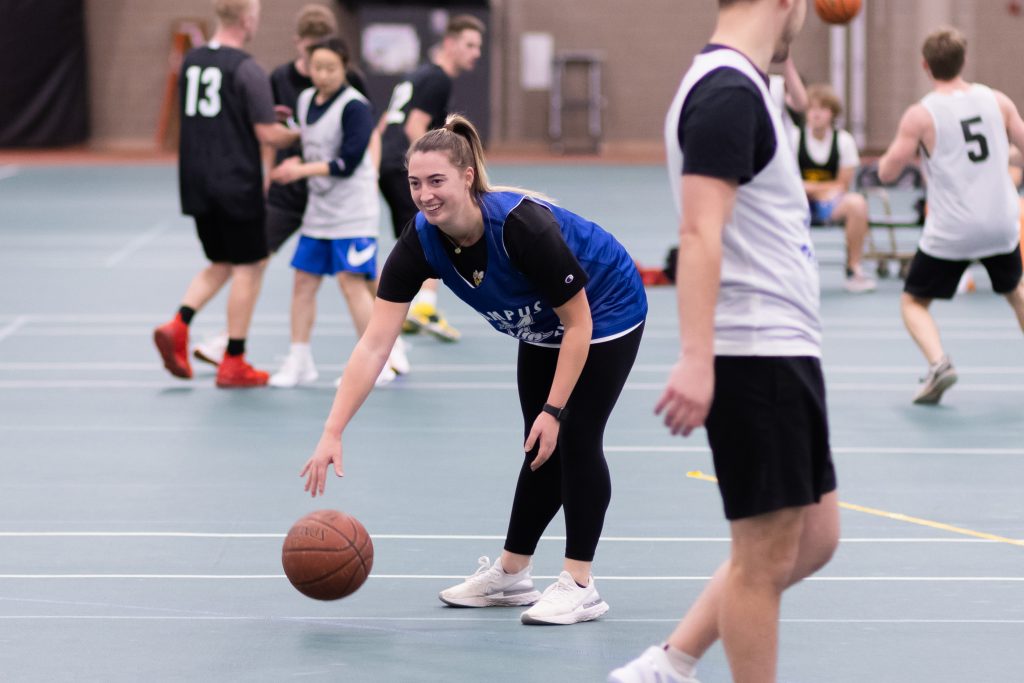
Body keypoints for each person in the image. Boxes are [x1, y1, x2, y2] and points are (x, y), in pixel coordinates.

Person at [300, 115, 648, 626]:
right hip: (540, 322)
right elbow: (375, 344)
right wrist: (332, 431)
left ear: (467, 177)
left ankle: (579, 583)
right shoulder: (421, 240)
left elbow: (579, 325)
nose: (424, 194)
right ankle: (512, 575)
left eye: (436, 180)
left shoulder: (522, 228)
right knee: (538, 446)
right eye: (415, 183)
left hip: (603, 309)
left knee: (573, 436)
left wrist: (554, 409)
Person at [611, 1, 839, 681]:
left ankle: (670, 661)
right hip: (754, 350)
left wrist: (779, 50)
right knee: (762, 561)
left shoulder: (745, 82)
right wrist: (696, 356)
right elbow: (699, 232)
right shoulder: (725, 94)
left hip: (784, 346)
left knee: (815, 537)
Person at [153, 0, 298, 388]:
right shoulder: (247, 68)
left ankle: (179, 322)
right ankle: (234, 360)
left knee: (221, 259)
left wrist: (262, 110)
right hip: (235, 182)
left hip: (196, 182)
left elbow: (218, 112)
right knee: (249, 268)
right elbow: (267, 134)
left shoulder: (192, 61)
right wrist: (301, 131)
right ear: (248, 20)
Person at [878, 27, 1024, 405]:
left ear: (925, 66)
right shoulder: (998, 101)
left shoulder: (921, 114)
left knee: (913, 301)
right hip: (1000, 221)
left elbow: (887, 173)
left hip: (953, 230)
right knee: (1016, 292)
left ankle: (939, 363)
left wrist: (893, 157)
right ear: (964, 61)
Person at [265, 38, 399, 388]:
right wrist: (295, 157)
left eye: (330, 68)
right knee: (302, 283)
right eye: (317, 67)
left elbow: (346, 163)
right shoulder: (306, 100)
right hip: (319, 212)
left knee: (351, 283)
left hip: (354, 212)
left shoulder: (355, 107)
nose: (322, 75)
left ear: (344, 69)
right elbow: (311, 144)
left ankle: (379, 362)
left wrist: (299, 171)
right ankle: (299, 360)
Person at [377, 14, 484, 343]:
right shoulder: (438, 79)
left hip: (388, 164)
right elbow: (414, 128)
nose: (476, 52)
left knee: (414, 236)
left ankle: (413, 306)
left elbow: (385, 122)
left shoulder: (417, 74)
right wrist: (430, 175)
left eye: (478, 46)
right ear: (449, 44)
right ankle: (422, 305)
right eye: (469, 44)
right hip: (403, 165)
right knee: (432, 232)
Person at [796, 83, 876, 292]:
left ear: (832, 113)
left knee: (857, 204)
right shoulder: (794, 138)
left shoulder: (844, 141)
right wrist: (819, 189)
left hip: (829, 204)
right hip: (798, 203)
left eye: (822, 109)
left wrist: (811, 188)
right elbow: (790, 182)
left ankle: (854, 269)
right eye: (812, 109)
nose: (816, 114)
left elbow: (842, 185)